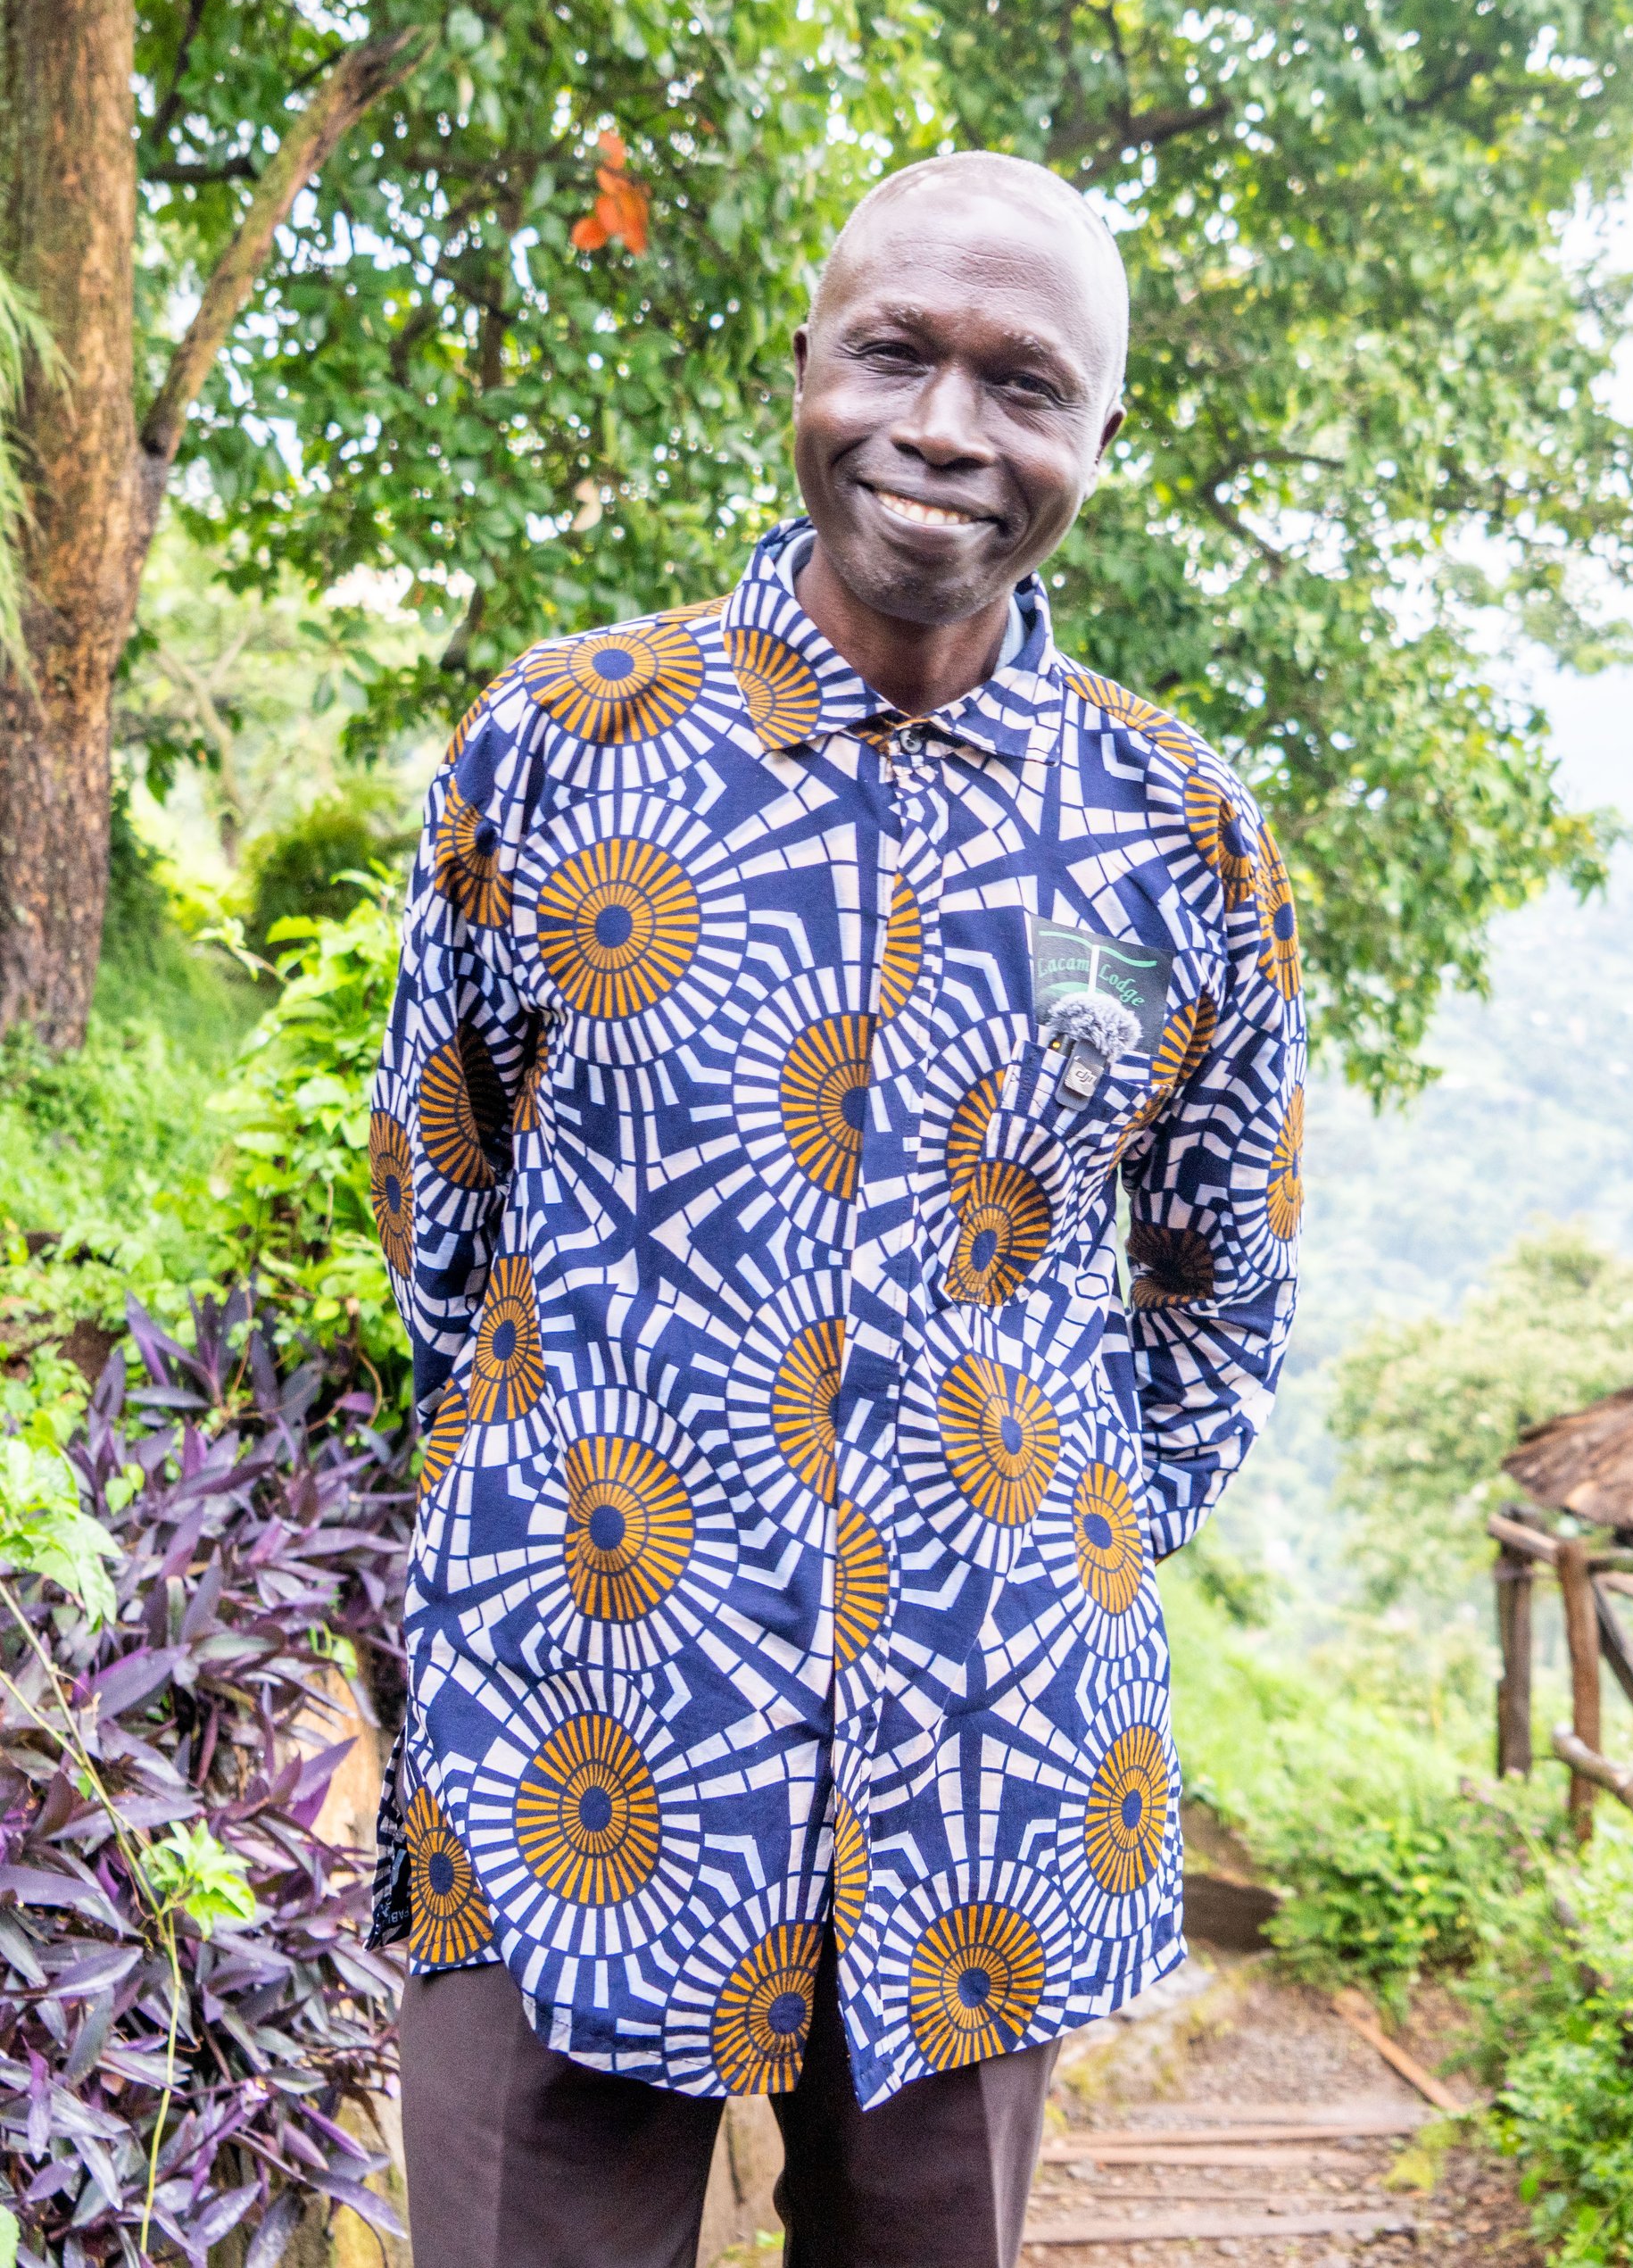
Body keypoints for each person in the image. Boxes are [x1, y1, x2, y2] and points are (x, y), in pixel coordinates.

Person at [367, 152, 1307, 2268]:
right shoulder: (564, 739)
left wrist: (1036, 1543)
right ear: (803, 362)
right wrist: (553, 1501)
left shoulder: (1179, 836)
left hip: (990, 1784)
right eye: (894, 351)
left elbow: (1217, 1290)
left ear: (1096, 436)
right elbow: (441, 1195)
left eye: (1023, 383)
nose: (946, 429)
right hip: (572, 1732)